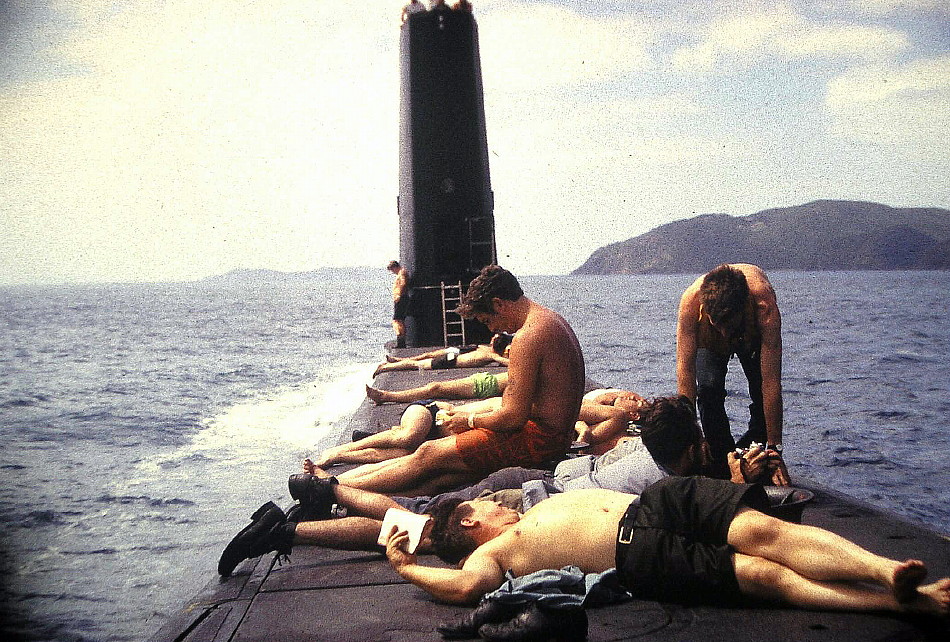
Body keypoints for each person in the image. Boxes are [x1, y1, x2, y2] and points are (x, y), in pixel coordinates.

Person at [216, 396, 772, 574]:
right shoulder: (667, 475)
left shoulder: (635, 453)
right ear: (688, 447)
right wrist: (746, 475)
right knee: (416, 527)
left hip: (536, 491)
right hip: (526, 507)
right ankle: (302, 519)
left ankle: (310, 511)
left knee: (414, 519)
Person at [384, 480, 950, 620]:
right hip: (635, 549)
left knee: (764, 532)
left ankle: (886, 569)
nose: (497, 503)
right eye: (485, 504)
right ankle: (903, 602)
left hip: (658, 502)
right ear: (471, 518)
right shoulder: (493, 552)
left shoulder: (530, 507)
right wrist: (408, 567)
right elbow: (462, 588)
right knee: (760, 574)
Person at [326, 265, 586, 496]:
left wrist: (468, 420)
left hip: (538, 442)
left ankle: (330, 488)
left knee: (429, 453)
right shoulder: (552, 320)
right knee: (446, 476)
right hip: (557, 439)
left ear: (498, 304)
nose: (492, 329)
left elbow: (513, 417)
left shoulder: (527, 337)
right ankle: (342, 488)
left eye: (488, 320)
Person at [677, 263, 789, 484]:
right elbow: (685, 372)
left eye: (729, 326)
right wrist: (689, 440)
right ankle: (720, 456)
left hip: (749, 333)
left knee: (759, 391)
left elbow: (771, 383)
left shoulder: (763, 306)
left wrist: (775, 448)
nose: (724, 333)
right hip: (711, 340)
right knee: (708, 389)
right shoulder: (690, 303)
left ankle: (755, 454)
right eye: (718, 326)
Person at [372, 333, 512, 377]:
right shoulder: (492, 355)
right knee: (416, 364)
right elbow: (507, 363)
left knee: (419, 362)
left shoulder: (486, 350)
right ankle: (385, 368)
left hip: (451, 359)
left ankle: (388, 366)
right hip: (450, 361)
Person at [367, 372, 509, 405]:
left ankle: (386, 396)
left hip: (483, 386)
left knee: (435, 388)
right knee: (435, 388)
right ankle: (386, 396)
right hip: (482, 379)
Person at [388, 260, 409, 348]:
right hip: (401, 298)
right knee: (399, 320)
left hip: (401, 299)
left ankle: (400, 341)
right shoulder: (401, 273)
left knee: (397, 320)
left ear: (395, 267)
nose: (393, 272)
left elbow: (403, 284)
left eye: (392, 270)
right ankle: (401, 341)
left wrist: (399, 295)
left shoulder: (402, 273)